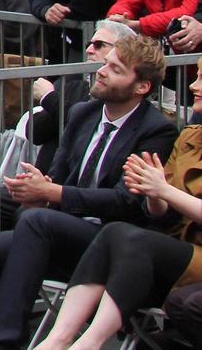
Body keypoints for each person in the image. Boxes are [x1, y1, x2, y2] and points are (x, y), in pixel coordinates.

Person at [0, 34, 178, 350]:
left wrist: (54, 193)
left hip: (114, 241)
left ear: (141, 87)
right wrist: (36, 190)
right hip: (64, 233)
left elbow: (128, 200)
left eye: (116, 69)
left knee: (39, 222)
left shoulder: (156, 129)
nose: (101, 70)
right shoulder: (83, 113)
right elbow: (59, 177)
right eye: (107, 62)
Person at [32, 63, 202, 350]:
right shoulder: (189, 136)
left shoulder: (163, 128)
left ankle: (89, 343)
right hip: (178, 247)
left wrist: (163, 190)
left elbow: (170, 199)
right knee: (114, 232)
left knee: (40, 222)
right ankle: (59, 339)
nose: (193, 86)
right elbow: (163, 215)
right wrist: (153, 191)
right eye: (196, 76)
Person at [0, 21, 137, 242]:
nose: (89, 49)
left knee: (29, 218)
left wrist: (50, 100)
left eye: (99, 45)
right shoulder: (76, 86)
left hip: (73, 197)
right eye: (90, 43)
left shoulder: (127, 113)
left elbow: (77, 121)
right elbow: (36, 130)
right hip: (44, 182)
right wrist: (55, 105)